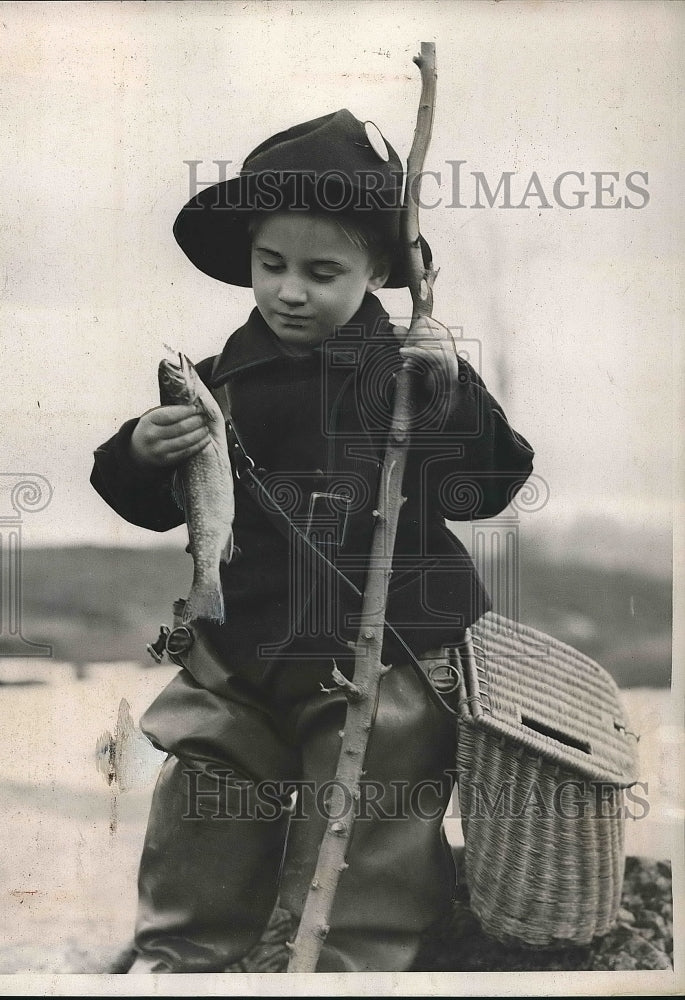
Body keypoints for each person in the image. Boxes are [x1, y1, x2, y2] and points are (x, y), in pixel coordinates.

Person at [91, 109, 534, 973]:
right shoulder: (220, 383)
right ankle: (185, 952)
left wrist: (449, 394)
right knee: (206, 793)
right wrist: (141, 451)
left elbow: (487, 487)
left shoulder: (412, 371)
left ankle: (343, 966)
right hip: (242, 642)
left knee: (367, 815)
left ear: (375, 270)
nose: (291, 291)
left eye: (322, 272)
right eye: (272, 266)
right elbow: (157, 506)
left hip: (389, 648)